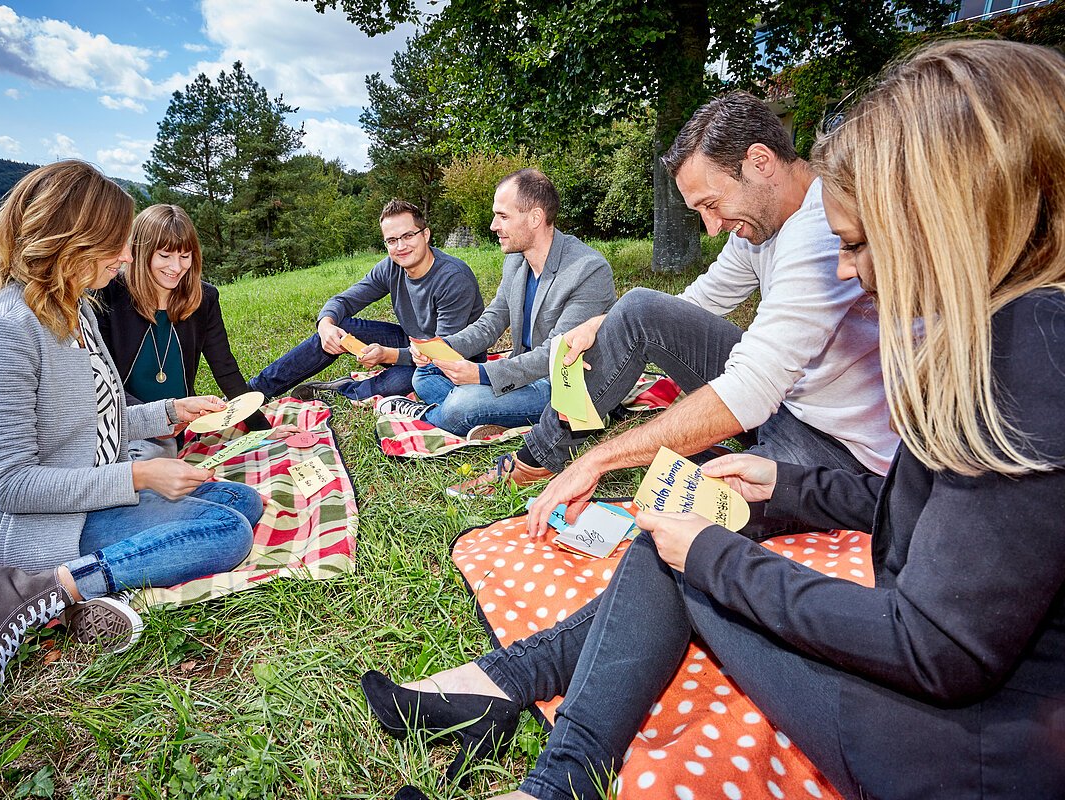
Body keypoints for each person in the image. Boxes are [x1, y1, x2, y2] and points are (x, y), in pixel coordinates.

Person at [362, 39, 1065, 800]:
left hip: (943, 736)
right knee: (673, 500)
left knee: (676, 543)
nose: (847, 267)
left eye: (860, 244)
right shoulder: (1005, 334)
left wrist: (675, 520)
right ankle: (506, 694)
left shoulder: (1020, 353)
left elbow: (934, 642)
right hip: (817, 469)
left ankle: (537, 750)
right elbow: (917, 504)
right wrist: (783, 486)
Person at [448, 93, 898, 523]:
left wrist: (601, 459)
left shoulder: (823, 231)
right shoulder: (762, 223)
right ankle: (537, 458)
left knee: (674, 513)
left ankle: (734, 467)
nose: (713, 227)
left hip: (837, 447)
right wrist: (604, 322)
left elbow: (751, 388)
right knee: (639, 306)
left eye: (711, 204)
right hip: (784, 406)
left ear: (760, 163)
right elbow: (696, 301)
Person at [0, 161, 264, 698]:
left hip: (82, 495)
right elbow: (11, 486)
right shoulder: (0, 334)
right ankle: (31, 592)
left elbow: (90, 423)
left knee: (245, 503)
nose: (124, 257)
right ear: (71, 242)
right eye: (116, 244)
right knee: (228, 533)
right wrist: (137, 476)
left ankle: (84, 595)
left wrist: (170, 412)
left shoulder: (74, 311)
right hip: (31, 527)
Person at [376, 169, 616, 439]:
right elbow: (492, 321)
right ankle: (489, 413)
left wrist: (481, 374)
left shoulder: (588, 270)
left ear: (535, 217)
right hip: (522, 372)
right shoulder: (516, 259)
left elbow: (554, 354)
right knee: (425, 373)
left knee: (463, 404)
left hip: (562, 385)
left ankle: (432, 414)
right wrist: (443, 348)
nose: (493, 225)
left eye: (503, 216)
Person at [246, 199, 485, 402]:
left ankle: (343, 389)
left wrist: (386, 355)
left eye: (408, 236)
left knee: (403, 382)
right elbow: (344, 301)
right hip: (412, 341)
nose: (400, 246)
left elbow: (441, 352)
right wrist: (325, 325)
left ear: (425, 234)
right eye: (392, 240)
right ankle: (254, 391)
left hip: (453, 358)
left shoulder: (453, 277)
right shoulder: (391, 267)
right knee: (339, 329)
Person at [95, 204, 252, 460]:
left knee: (167, 450)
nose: (177, 267)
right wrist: (156, 419)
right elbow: (104, 385)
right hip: (125, 425)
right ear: (141, 252)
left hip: (177, 429)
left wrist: (262, 428)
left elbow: (225, 368)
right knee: (151, 455)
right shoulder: (107, 295)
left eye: (185, 256)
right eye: (165, 255)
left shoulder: (205, 298)